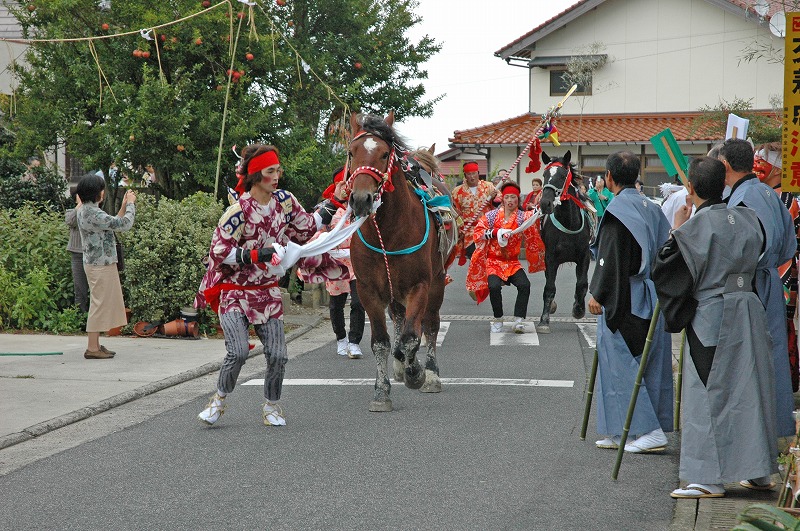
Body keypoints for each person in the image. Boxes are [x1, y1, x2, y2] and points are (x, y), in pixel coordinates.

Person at [194, 144, 349, 427]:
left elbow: (307, 226)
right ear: (255, 175)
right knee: (238, 351)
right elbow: (218, 251)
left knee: (278, 354)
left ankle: (272, 406)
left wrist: (334, 201)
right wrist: (255, 255)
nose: (276, 176)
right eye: (269, 171)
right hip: (234, 291)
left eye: (278, 170)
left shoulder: (285, 203)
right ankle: (218, 400)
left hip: (267, 291)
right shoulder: (237, 212)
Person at [652, 156, 777, 499]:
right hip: (749, 309)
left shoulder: (692, 229)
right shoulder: (750, 218)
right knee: (751, 388)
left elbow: (669, 274)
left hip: (712, 315)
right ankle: (759, 470)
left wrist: (676, 231)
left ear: (690, 189)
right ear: (724, 184)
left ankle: (707, 477)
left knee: (709, 393)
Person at [588, 151, 673, 453]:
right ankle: (620, 428)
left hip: (624, 296)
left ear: (608, 177)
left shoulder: (617, 211)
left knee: (621, 363)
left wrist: (597, 293)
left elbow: (608, 260)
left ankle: (649, 430)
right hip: (648, 293)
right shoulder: (652, 207)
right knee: (644, 363)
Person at [718, 138, 796, 438]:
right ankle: (776, 429)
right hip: (771, 281)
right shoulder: (769, 193)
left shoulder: (741, 201)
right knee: (774, 356)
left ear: (725, 165)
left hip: (748, 286)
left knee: (747, 362)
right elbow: (789, 246)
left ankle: (753, 441)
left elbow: (735, 254)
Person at [754, 142, 800, 391]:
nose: (757, 167)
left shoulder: (785, 198)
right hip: (777, 269)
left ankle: (782, 383)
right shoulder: (767, 194)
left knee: (779, 328)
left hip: (782, 270)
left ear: (775, 170)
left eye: (762, 163)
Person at [76, 174, 136, 359]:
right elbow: (124, 224)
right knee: (98, 304)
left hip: (98, 263)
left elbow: (112, 223)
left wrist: (124, 205)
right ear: (96, 193)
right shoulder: (93, 213)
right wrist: (132, 204)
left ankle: (95, 345)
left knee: (99, 303)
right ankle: (92, 348)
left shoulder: (86, 210)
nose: (103, 192)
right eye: (101, 189)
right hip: (99, 264)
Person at [308, 167, 365, 359]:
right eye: (342, 184)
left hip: (357, 260)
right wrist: (324, 239)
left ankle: (355, 341)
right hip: (335, 261)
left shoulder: (361, 206)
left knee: (359, 302)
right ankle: (341, 338)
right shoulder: (326, 208)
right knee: (336, 304)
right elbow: (314, 231)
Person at [466, 181, 537, 333]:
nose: (510, 201)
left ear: (518, 200)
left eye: (513, 198)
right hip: (494, 262)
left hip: (512, 262)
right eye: (507, 197)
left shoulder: (522, 217)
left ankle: (518, 319)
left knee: (525, 285)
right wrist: (494, 232)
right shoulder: (491, 216)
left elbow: (535, 217)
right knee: (494, 286)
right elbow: (478, 232)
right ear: (503, 199)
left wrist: (543, 208)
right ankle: (498, 318)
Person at [451, 161, 497, 264]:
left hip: (487, 230)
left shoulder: (489, 187)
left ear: (478, 173)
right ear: (465, 175)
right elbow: (455, 213)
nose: (472, 177)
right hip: (469, 232)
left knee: (489, 260)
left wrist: (493, 199)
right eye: (469, 174)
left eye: (474, 173)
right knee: (475, 260)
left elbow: (499, 203)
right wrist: (458, 230)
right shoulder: (457, 191)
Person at [65, 184, 89, 313]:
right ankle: (80, 316)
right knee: (80, 288)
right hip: (77, 254)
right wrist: (80, 204)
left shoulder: (91, 212)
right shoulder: (71, 212)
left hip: (91, 253)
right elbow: (70, 221)